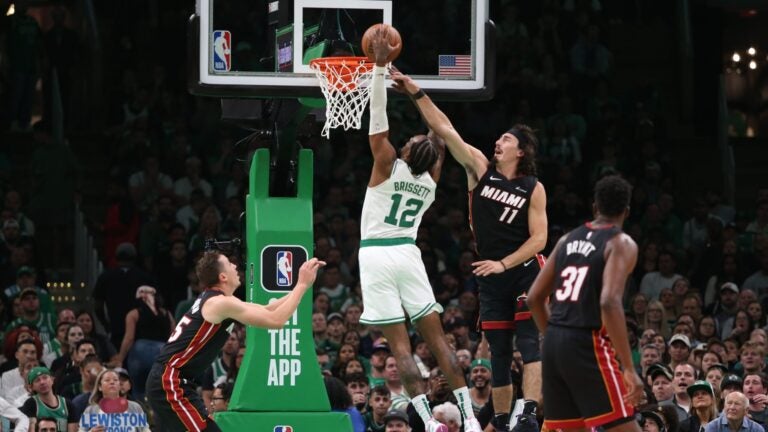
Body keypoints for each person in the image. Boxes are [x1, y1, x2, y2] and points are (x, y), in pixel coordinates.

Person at [392, 59, 547, 432]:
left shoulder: (533, 188)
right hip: (490, 272)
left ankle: (526, 414)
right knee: (497, 352)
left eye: (507, 139)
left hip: (524, 270)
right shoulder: (480, 169)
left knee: (529, 343)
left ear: (521, 150)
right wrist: (414, 90)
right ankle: (500, 420)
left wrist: (505, 264)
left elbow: (540, 239)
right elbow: (444, 128)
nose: (499, 141)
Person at [358, 31, 480, 432]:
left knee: (401, 347)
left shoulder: (386, 164)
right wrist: (415, 92)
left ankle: (427, 422)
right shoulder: (430, 180)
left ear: (406, 151)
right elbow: (440, 137)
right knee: (441, 342)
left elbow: (378, 119)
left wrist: (378, 69)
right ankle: (471, 421)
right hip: (409, 253)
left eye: (408, 141)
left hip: (376, 253)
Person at [145, 251, 324, 432]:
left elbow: (267, 309)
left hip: (173, 381)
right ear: (223, 276)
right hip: (170, 381)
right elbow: (276, 320)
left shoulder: (220, 300)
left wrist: (303, 286)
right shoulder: (219, 303)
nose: (235, 266)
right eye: (230, 264)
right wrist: (301, 284)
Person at [527, 175, 643, 432]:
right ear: (626, 211)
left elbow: (534, 298)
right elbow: (610, 302)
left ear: (594, 207)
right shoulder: (621, 243)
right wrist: (628, 367)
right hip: (586, 342)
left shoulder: (566, 240)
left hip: (555, 341)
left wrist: (556, 337)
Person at [116, 285, 175, 401]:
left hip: (139, 352)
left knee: (138, 391)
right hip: (162, 352)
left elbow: (129, 338)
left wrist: (120, 359)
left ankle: (142, 413)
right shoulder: (167, 314)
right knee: (161, 392)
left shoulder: (134, 314)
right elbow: (174, 338)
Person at [78, 369, 150, 432]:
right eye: (107, 380)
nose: (112, 382)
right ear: (100, 387)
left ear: (119, 386)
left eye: (115, 380)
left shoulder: (135, 407)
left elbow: (145, 429)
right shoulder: (90, 410)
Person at [20, 366, 78, 432]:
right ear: (31, 387)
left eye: (45, 378)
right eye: (37, 380)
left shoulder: (68, 405)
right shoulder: (31, 404)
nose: (42, 382)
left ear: (52, 380)